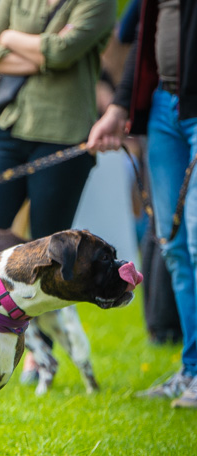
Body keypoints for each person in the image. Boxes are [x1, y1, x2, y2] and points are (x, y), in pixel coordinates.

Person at [87, 0, 197, 409]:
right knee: (174, 245)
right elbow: (143, 39)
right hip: (165, 109)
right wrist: (118, 107)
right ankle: (192, 369)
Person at [0, 0, 116, 238]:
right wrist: (44, 59)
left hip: (63, 137)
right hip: (7, 128)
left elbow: (61, 52)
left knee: (49, 249)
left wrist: (8, 37)